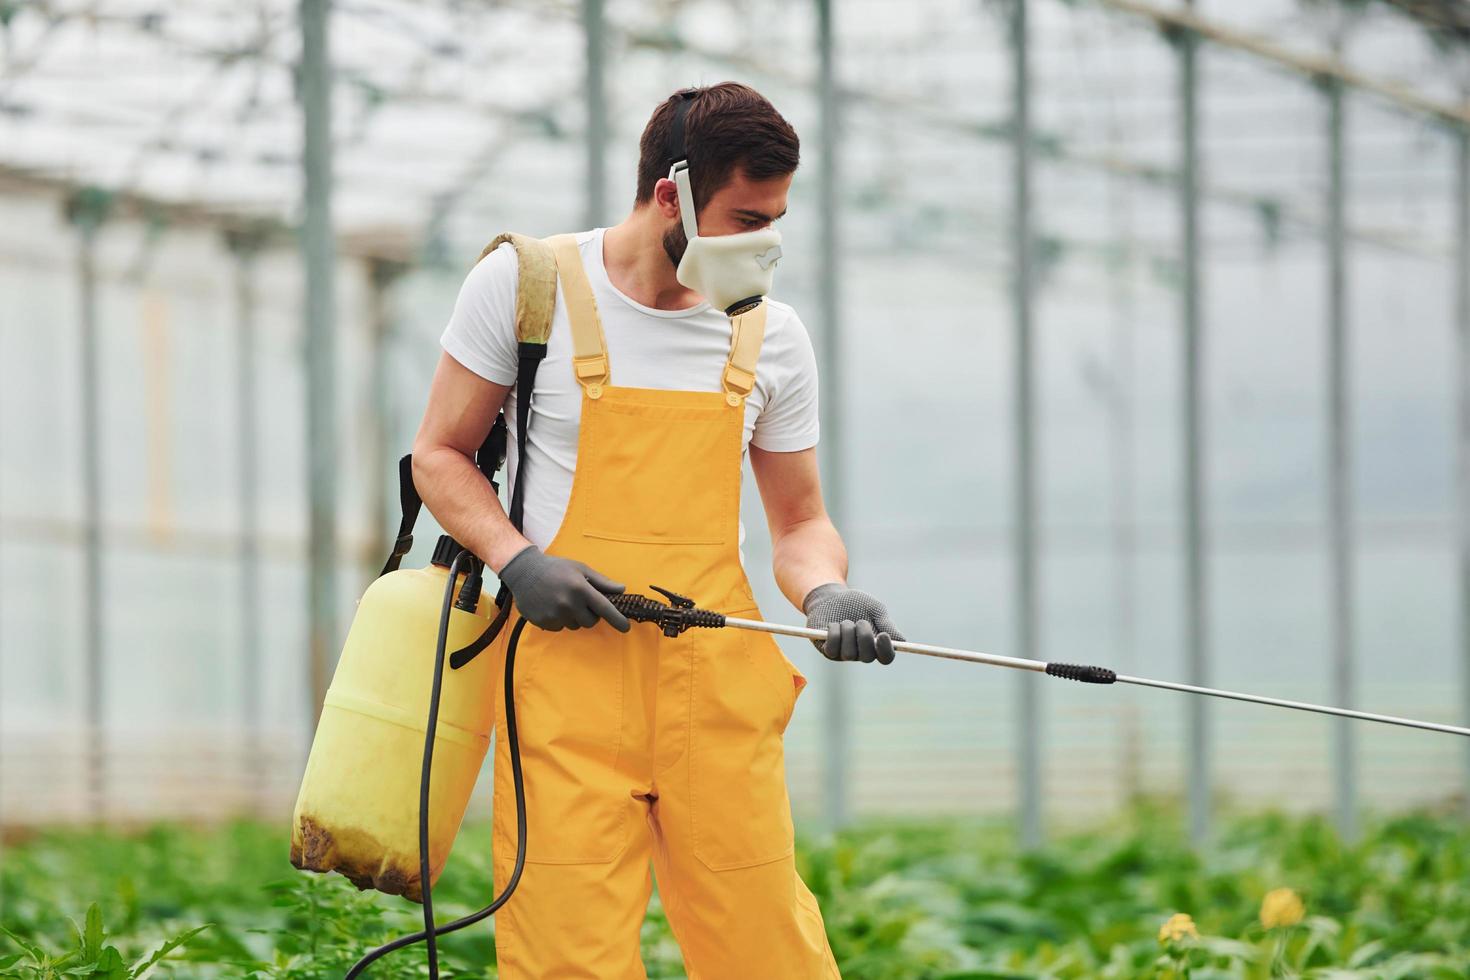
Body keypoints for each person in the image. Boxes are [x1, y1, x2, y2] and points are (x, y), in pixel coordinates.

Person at [411, 80, 904, 979]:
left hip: (713, 691)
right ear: (671, 192)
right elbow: (439, 455)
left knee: (770, 951)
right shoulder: (527, 289)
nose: (765, 243)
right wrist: (518, 561)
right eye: (746, 217)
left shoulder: (773, 338)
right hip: (564, 692)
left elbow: (800, 522)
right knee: (568, 960)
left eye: (776, 220)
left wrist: (826, 588)